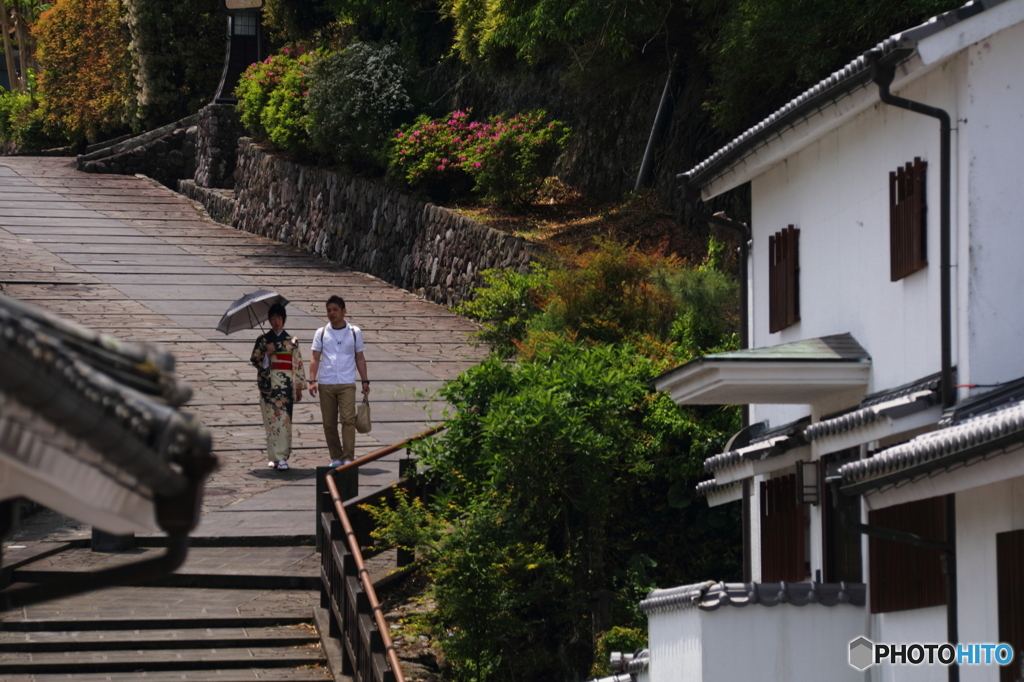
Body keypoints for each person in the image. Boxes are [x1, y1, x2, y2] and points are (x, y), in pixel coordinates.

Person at [308, 295, 370, 467]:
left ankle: (348, 456)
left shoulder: (354, 332)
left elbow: (360, 357)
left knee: (348, 420)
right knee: (329, 423)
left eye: (335, 309)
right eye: (329, 310)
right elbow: (315, 358)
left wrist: (365, 380)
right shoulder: (321, 333)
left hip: (347, 382)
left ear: (344, 311)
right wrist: (312, 380)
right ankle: (336, 457)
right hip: (326, 382)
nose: (331, 313)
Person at [250, 303, 307, 471]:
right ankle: (274, 457)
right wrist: (267, 354)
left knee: (284, 421)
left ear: (284, 320)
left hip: (286, 385)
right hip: (269, 385)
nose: (276, 321)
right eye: (273, 318)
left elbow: (297, 364)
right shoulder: (263, 340)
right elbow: (255, 360)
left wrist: (298, 386)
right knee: (271, 422)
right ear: (269, 320)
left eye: (279, 318)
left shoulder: (292, 341)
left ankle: (282, 457)